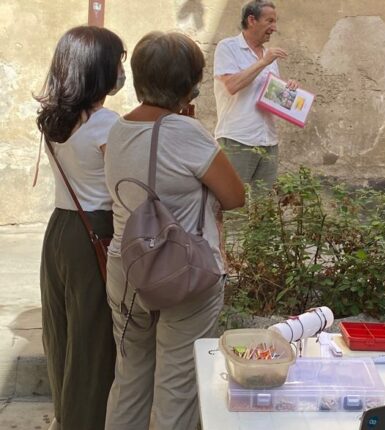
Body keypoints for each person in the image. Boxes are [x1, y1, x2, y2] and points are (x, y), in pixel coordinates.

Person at [104, 32, 245, 430]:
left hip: (126, 267)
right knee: (176, 388)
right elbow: (235, 196)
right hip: (184, 272)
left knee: (129, 379)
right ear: (189, 84)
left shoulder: (116, 131)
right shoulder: (188, 134)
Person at [35, 25, 125, 430]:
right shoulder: (107, 123)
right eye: (117, 62)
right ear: (99, 70)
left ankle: (64, 414)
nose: (121, 71)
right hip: (96, 229)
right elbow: (122, 189)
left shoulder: (53, 117)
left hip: (60, 226)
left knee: (61, 331)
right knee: (92, 338)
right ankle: (83, 421)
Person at [213, 0, 299, 191]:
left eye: (275, 22)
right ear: (252, 20)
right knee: (235, 207)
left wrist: (290, 90)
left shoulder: (269, 56)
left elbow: (270, 98)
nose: (274, 28)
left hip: (268, 140)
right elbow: (232, 86)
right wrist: (263, 62)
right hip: (238, 139)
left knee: (264, 209)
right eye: (269, 21)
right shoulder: (228, 47)